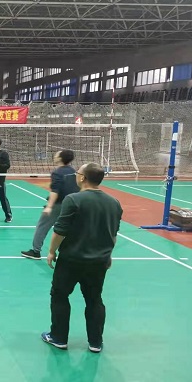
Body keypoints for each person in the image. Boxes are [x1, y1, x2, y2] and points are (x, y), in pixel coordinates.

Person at [41, 163, 123, 353]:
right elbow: (113, 233)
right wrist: (108, 254)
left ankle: (59, 338)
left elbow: (60, 231)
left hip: (71, 260)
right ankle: (96, 342)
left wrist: (52, 251)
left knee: (60, 295)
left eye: (78, 173)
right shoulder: (114, 202)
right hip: (99, 262)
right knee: (94, 299)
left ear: (83, 178)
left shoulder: (73, 199)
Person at [21, 150, 78, 259]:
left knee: (42, 226)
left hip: (59, 204)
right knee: (68, 228)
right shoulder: (73, 171)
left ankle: (36, 251)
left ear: (60, 158)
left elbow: (55, 191)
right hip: (72, 204)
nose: (55, 155)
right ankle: (70, 252)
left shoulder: (57, 172)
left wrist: (49, 206)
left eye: (57, 154)